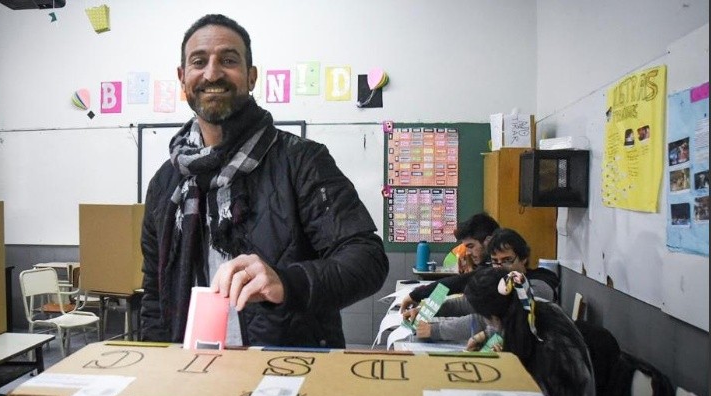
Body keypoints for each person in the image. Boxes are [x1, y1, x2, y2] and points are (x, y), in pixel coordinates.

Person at [139, 14, 388, 348]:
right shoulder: (165, 182)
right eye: (199, 62)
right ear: (183, 79)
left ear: (251, 76)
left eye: (228, 60)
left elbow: (367, 259)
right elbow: (156, 294)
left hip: (288, 368)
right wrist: (158, 365)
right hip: (192, 367)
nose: (212, 73)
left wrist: (287, 282)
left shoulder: (301, 160)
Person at [464, 268, 601, 396]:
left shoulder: (543, 352)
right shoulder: (540, 307)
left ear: (495, 318)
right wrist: (483, 336)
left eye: (486, 319)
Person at [406, 228, 560, 342]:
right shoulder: (498, 282)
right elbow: (466, 304)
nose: (500, 267)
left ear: (524, 258)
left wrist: (435, 330)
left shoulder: (538, 287)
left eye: (507, 260)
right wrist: (426, 310)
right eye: (495, 261)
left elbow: (486, 320)